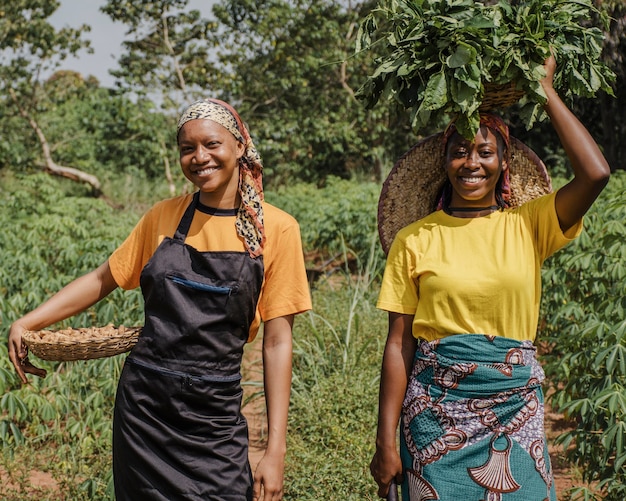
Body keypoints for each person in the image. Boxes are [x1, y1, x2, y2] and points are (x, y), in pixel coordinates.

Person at [8, 98, 312, 501]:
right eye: (187, 148)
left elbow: (277, 342)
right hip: (145, 408)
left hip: (213, 411)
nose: (199, 157)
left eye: (212, 144)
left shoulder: (276, 229)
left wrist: (275, 451)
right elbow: (104, 278)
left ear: (240, 146)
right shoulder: (163, 217)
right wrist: (29, 321)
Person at [369, 55, 610, 500]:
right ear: (444, 163)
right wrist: (385, 440)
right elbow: (399, 344)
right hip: (435, 418)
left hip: (515, 410)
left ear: (503, 162)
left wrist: (546, 90)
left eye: (484, 151)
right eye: (459, 151)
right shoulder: (415, 239)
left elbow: (595, 174)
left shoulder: (528, 225)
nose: (471, 163)